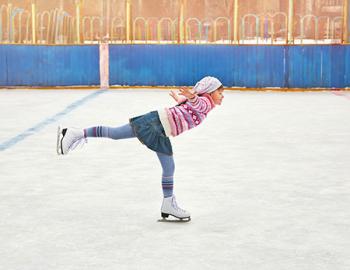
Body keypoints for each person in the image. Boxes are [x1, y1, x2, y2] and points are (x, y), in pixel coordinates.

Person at [57, 76, 225, 222]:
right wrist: (192, 98)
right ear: (209, 93)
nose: (222, 96)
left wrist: (184, 99)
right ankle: (76, 133)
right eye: (219, 92)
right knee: (116, 133)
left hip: (161, 129)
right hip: (155, 125)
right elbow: (199, 104)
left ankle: (168, 203)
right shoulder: (205, 103)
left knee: (168, 167)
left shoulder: (203, 104)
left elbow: (190, 107)